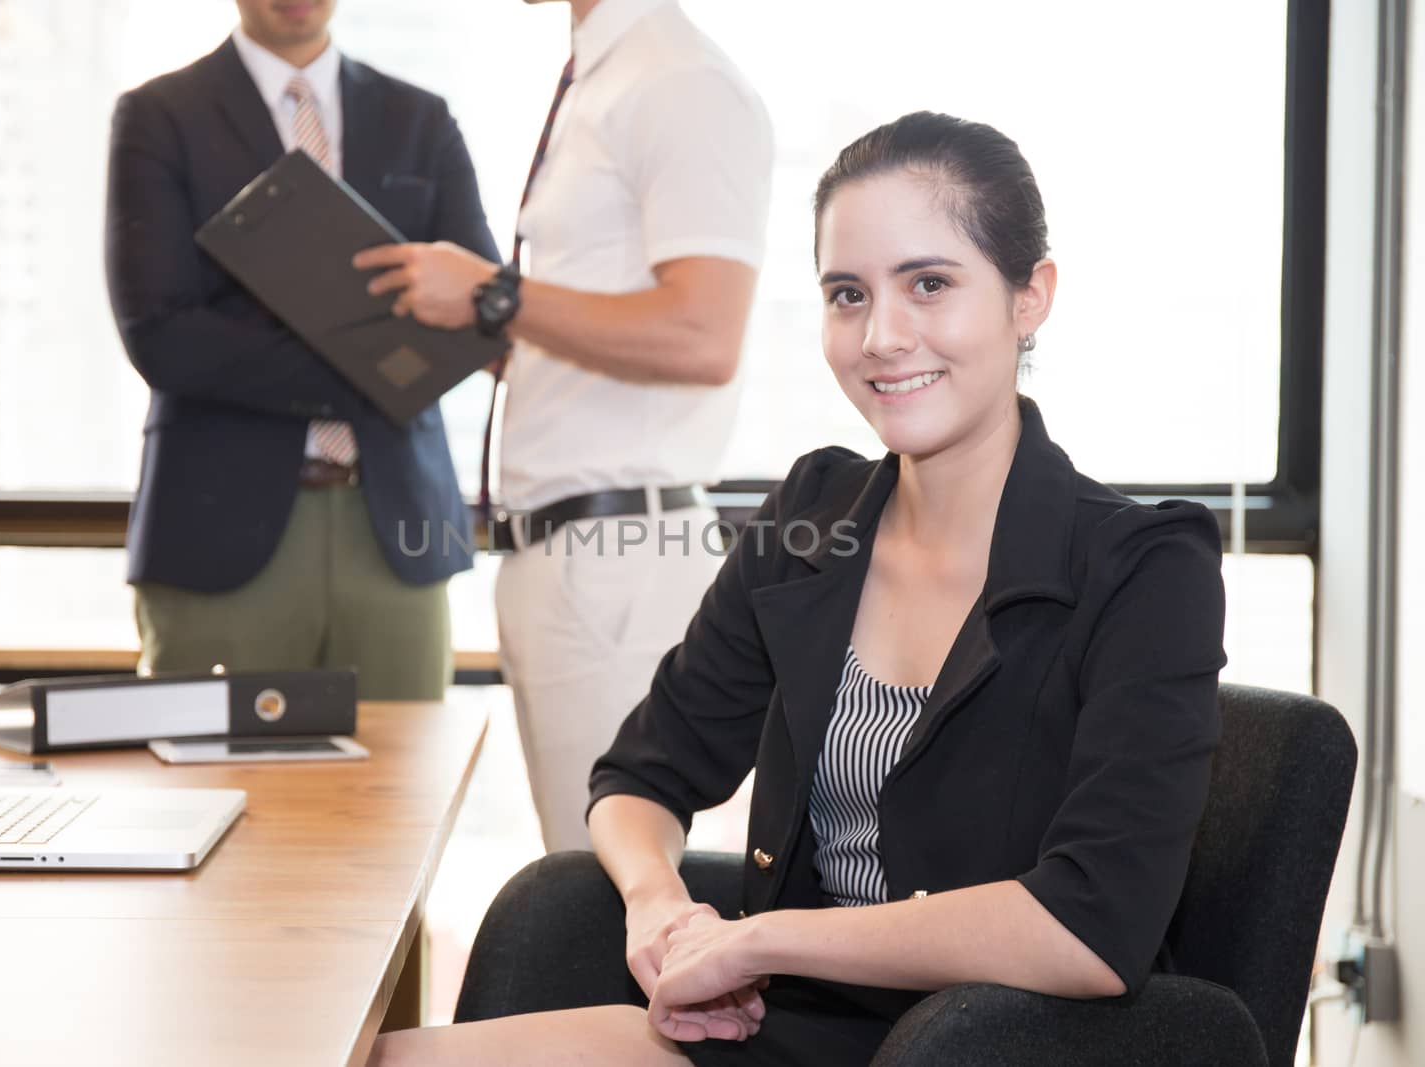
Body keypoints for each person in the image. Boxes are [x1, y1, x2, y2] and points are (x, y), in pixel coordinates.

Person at [366, 111, 1227, 1065]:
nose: (882, 337)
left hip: (997, 1038)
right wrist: (658, 904)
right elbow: (640, 777)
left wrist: (758, 939)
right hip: (779, 1023)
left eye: (929, 285)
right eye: (847, 295)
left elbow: (1092, 925)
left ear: (1031, 297)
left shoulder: (1145, 565)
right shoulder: (813, 517)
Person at [353, 0, 774, 852]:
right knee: (591, 883)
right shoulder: (607, 74)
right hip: (570, 562)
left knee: (618, 895)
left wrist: (493, 294)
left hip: (614, 565)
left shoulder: (676, 79)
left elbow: (702, 335)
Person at [105, 0, 498, 697]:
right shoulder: (161, 115)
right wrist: (375, 364)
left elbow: (480, 315)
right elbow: (163, 336)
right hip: (218, 527)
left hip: (395, 530)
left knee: (402, 795)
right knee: (216, 797)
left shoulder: (422, 119)